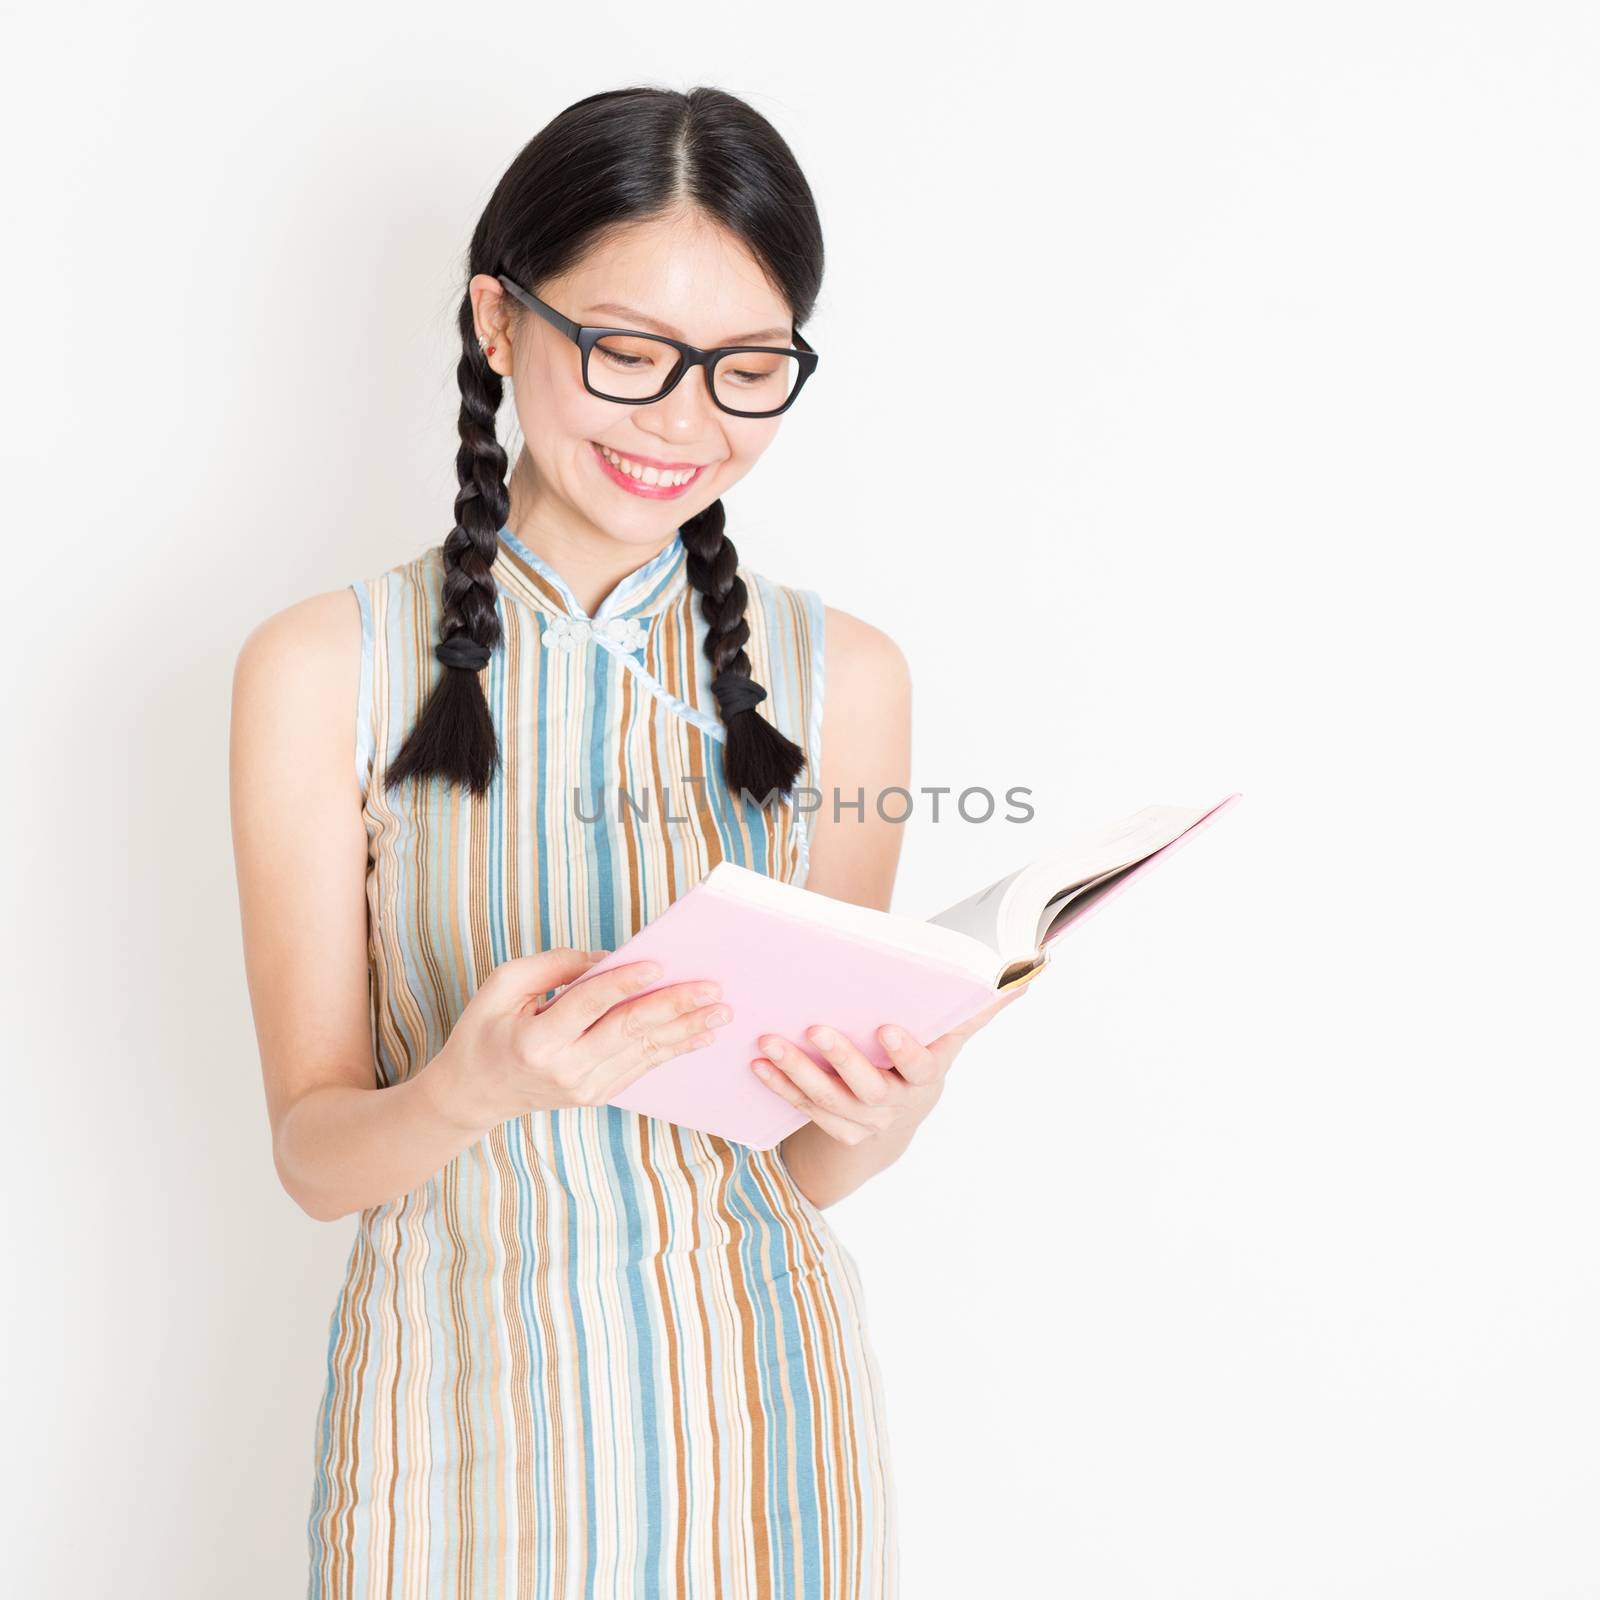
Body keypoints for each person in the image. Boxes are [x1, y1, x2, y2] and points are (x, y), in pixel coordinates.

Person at [229, 83, 1024, 1600]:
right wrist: (472, 1088)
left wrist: (890, 1106)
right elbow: (316, 1159)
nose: (682, 421)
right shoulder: (323, 666)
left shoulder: (846, 676)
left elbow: (802, 1162)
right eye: (626, 350)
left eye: (746, 369)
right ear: (498, 320)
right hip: (452, 1426)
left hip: (770, 1435)